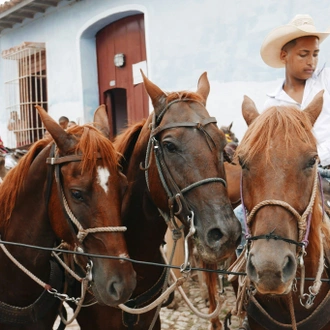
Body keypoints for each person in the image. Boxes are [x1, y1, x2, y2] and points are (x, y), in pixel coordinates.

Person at [235, 14, 330, 256]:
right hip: (293, 177)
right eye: (303, 54)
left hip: (327, 171)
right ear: (284, 56)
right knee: (238, 218)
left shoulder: (325, 82)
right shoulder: (271, 104)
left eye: (315, 54)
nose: (311, 61)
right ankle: (241, 273)